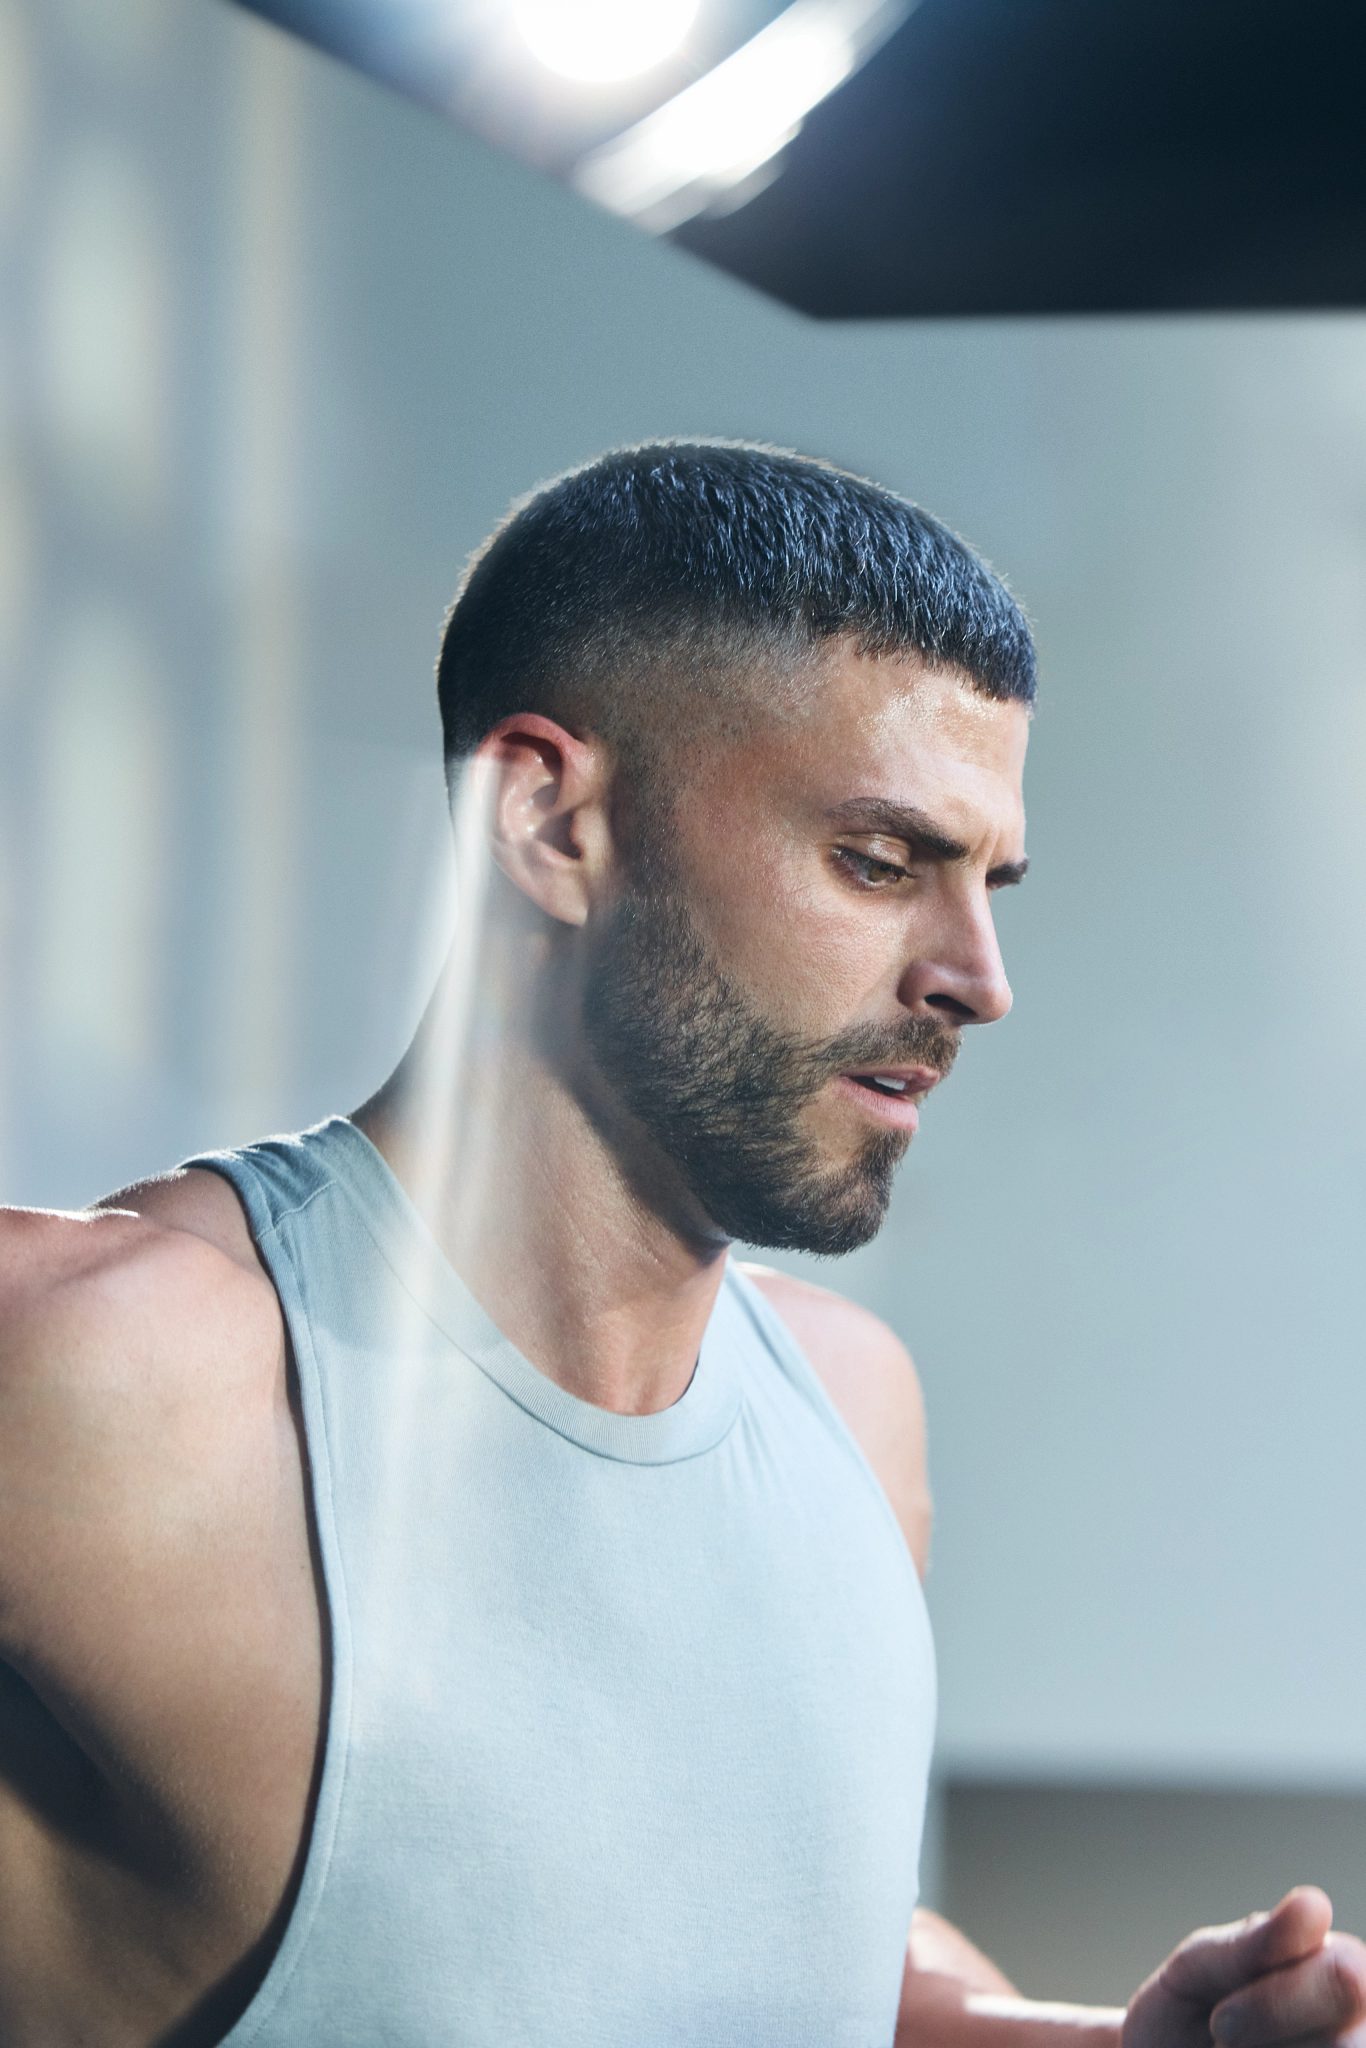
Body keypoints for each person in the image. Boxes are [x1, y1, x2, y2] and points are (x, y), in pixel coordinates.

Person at [0, 442, 1361, 2047]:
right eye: (877, 862)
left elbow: (773, 1945)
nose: (977, 978)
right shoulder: (103, 1372)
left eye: (987, 883)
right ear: (552, 822)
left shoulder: (854, 1410)